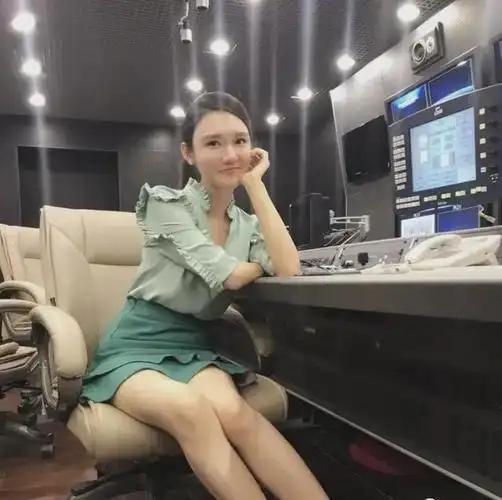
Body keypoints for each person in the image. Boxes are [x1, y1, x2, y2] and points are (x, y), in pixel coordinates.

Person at [80, 91, 328, 500]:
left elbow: (289, 267)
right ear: (189, 153)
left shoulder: (247, 224)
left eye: (240, 141)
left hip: (194, 343)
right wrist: (254, 265)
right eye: (213, 143)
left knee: (236, 414)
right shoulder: (166, 204)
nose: (230, 154)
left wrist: (256, 187)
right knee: (191, 411)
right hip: (136, 344)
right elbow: (227, 275)